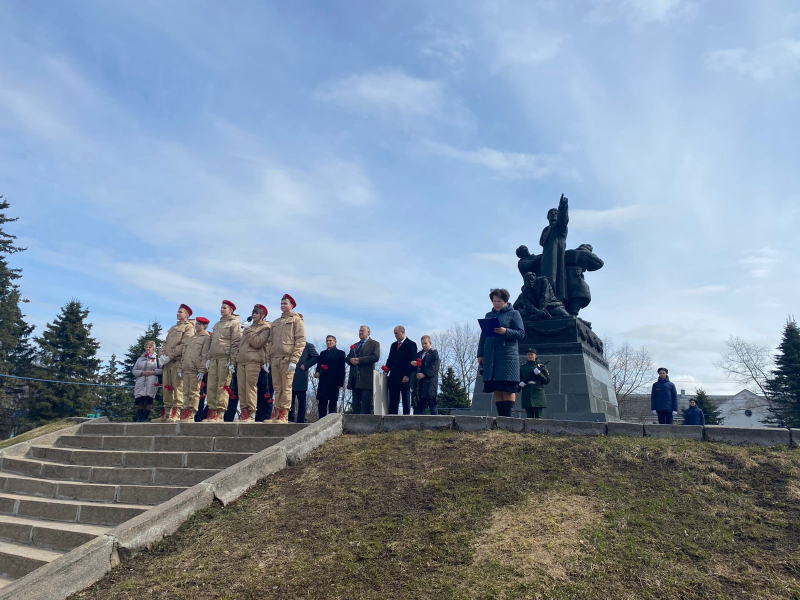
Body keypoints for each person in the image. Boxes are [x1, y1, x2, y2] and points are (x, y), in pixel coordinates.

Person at [477, 288, 525, 418]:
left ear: (505, 301)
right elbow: (483, 337)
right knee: (496, 386)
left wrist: (506, 331)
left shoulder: (514, 314)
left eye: (499, 301)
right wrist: (480, 354)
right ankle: (501, 417)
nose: (497, 303)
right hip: (491, 356)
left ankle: (508, 417)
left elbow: (521, 333)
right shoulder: (489, 315)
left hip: (507, 356)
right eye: (494, 301)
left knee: (507, 386)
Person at [266, 294, 306, 423]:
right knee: (277, 387)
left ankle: (284, 413)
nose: (283, 306)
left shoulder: (296, 320)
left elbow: (300, 340)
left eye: (285, 303)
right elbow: (270, 341)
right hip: (275, 358)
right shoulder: (276, 322)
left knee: (286, 387)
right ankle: (276, 412)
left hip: (287, 358)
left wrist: (294, 360)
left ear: (292, 305)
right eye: (281, 303)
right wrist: (268, 358)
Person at [156, 304, 195, 422]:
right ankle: (166, 411)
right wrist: (161, 354)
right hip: (167, 362)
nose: (178, 314)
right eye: (178, 312)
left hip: (176, 361)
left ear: (187, 314)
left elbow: (184, 344)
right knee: (167, 387)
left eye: (181, 312)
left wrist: (170, 356)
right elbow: (165, 343)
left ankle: (176, 411)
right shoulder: (173, 328)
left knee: (177, 386)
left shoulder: (189, 327)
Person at [205, 300, 242, 422]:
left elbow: (236, 342)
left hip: (225, 358)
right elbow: (212, 342)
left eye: (224, 308)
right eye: (221, 307)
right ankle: (212, 410)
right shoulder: (217, 324)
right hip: (214, 357)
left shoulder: (234, 323)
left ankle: (220, 412)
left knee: (222, 385)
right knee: (212, 385)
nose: (222, 310)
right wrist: (209, 358)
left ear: (231, 310)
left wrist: (232, 359)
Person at [236, 304, 272, 422]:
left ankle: (251, 412)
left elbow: (257, 343)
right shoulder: (249, 327)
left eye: (257, 313)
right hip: (242, 360)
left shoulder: (265, 328)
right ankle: (244, 411)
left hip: (253, 360)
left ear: (263, 315)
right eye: (253, 312)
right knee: (242, 388)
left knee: (250, 387)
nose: (254, 315)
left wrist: (248, 331)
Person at [179, 317, 211, 422]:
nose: (196, 326)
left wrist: (202, 370)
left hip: (195, 369)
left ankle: (191, 412)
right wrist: (181, 368)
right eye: (196, 324)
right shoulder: (191, 338)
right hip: (186, 368)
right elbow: (184, 355)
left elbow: (205, 355)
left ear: (204, 326)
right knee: (185, 392)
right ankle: (184, 410)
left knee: (194, 392)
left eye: (199, 324)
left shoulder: (206, 338)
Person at [289, 315, 319, 423]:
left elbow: (316, 357)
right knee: (289, 399)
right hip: (289, 374)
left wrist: (306, 365)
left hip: (301, 375)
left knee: (301, 401)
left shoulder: (308, 346)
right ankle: (289, 418)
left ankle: (301, 420)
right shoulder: (289, 344)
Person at [539, 194, 569, 300]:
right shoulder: (546, 229)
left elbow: (563, 220)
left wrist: (562, 207)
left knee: (554, 277)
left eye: (555, 213)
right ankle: (546, 297)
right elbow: (542, 242)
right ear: (548, 217)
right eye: (551, 213)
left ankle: (553, 298)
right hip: (546, 256)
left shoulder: (559, 227)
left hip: (557, 255)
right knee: (545, 277)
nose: (553, 214)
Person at [346, 325, 380, 414]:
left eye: (362, 331)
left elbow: (375, 357)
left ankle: (366, 425)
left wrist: (359, 360)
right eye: (359, 331)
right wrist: (350, 360)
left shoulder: (374, 344)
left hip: (367, 379)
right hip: (355, 379)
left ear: (368, 332)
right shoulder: (355, 345)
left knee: (366, 404)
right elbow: (347, 358)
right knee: (355, 404)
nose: (360, 332)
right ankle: (356, 425)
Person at [385, 326, 418, 415]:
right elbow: (390, 360)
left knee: (405, 400)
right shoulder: (393, 345)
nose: (395, 335)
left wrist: (407, 375)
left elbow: (412, 360)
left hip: (405, 377)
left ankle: (406, 420)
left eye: (396, 333)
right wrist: (386, 371)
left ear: (402, 332)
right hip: (394, 376)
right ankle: (392, 419)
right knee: (393, 400)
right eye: (394, 333)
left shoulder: (411, 344)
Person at [315, 335, 346, 419]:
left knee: (333, 403)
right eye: (327, 341)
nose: (328, 342)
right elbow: (318, 365)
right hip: (323, 381)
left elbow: (342, 369)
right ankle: (320, 421)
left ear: (335, 342)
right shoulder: (323, 353)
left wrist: (340, 383)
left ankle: (332, 422)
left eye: (330, 340)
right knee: (322, 403)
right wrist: (317, 372)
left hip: (334, 382)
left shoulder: (340, 353)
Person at [132, 340, 162, 422]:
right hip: (141, 380)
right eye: (146, 347)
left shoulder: (157, 359)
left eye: (150, 347)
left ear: (153, 348)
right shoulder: (140, 359)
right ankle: (140, 417)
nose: (148, 348)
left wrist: (153, 372)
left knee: (149, 399)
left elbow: (162, 370)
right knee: (140, 399)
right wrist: (141, 372)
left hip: (152, 381)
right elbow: (134, 370)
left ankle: (145, 417)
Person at [518, 348, 550, 418]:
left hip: (538, 392)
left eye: (531, 354)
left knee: (538, 416)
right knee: (529, 416)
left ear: (535, 355)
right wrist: (521, 383)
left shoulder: (541, 367)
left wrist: (539, 373)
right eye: (528, 354)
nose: (530, 356)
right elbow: (519, 379)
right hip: (527, 391)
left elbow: (547, 380)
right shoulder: (523, 367)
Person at [413, 335, 440, 415]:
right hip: (420, 385)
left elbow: (434, 368)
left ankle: (436, 423)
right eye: (422, 344)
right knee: (419, 405)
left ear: (430, 343)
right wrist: (413, 364)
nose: (424, 345)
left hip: (430, 384)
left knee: (432, 403)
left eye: (425, 343)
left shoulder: (434, 354)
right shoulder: (419, 354)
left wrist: (424, 374)